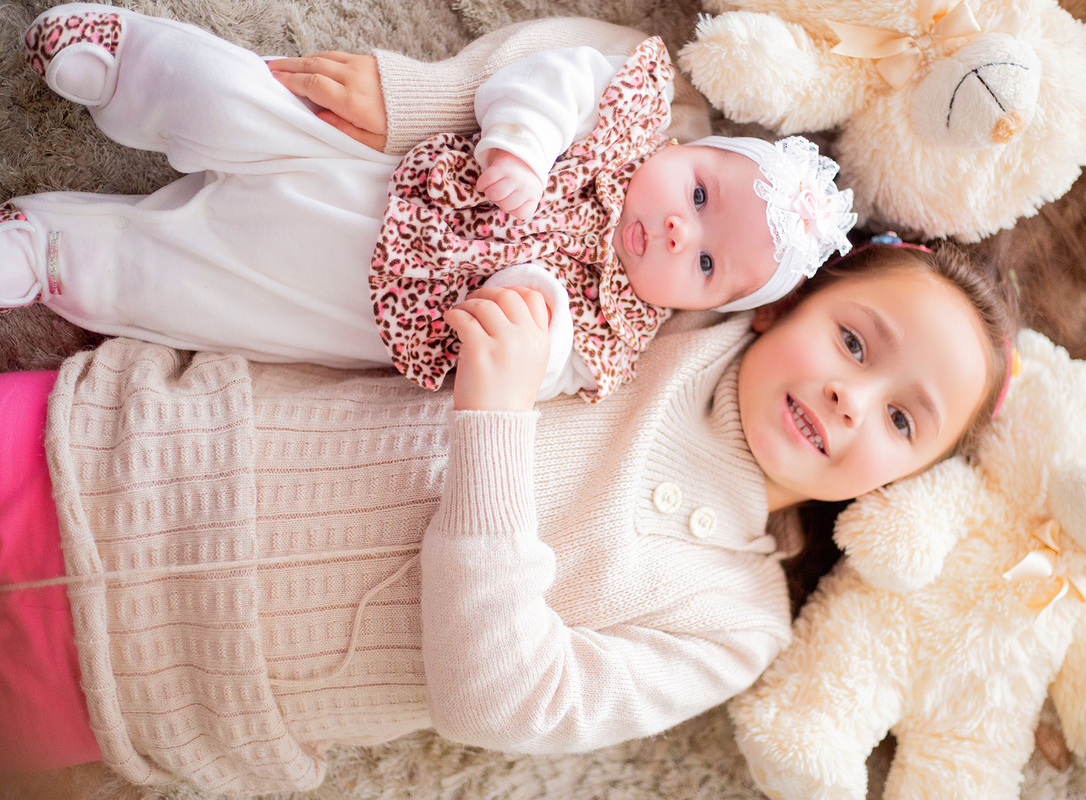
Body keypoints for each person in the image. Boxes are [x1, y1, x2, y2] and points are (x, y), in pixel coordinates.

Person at [0, 236, 1017, 791]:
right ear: (782, 300)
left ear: (892, 486)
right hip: (111, 446)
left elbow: (503, 700)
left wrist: (495, 419)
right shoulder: (655, 300)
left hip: (138, 680)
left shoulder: (734, 621)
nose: (852, 395)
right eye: (852, 339)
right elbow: (614, 86)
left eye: (899, 416)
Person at [1, 4, 856, 402]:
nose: (678, 228)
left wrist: (532, 331)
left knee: (184, 292)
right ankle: (132, 68)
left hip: (341, 306)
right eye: (700, 193)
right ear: (684, 147)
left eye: (705, 262)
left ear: (700, 306)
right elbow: (552, 73)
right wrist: (522, 139)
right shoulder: (625, 118)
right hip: (380, 170)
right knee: (254, 101)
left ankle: (45, 252)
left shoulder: (611, 335)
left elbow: (538, 369)